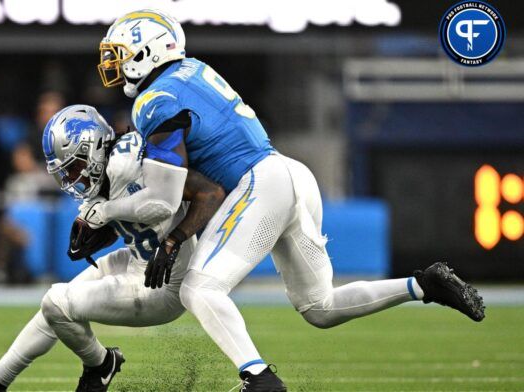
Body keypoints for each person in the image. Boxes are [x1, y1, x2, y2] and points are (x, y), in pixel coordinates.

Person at [83, 9, 486, 391]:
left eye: (120, 55)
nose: (115, 66)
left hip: (261, 184)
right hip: (289, 174)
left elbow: (165, 199)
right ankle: (424, 284)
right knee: (320, 307)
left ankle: (259, 379)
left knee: (198, 289)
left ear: (147, 51)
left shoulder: (155, 100)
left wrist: (113, 216)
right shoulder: (193, 73)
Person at [0, 105, 226, 391]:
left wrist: (153, 229)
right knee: (52, 309)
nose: (72, 179)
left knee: (58, 301)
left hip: (161, 283)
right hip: (137, 260)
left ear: (93, 148)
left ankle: (101, 364)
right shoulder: (105, 177)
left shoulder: (131, 161)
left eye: (73, 167)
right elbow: (127, 222)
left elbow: (185, 200)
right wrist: (97, 233)